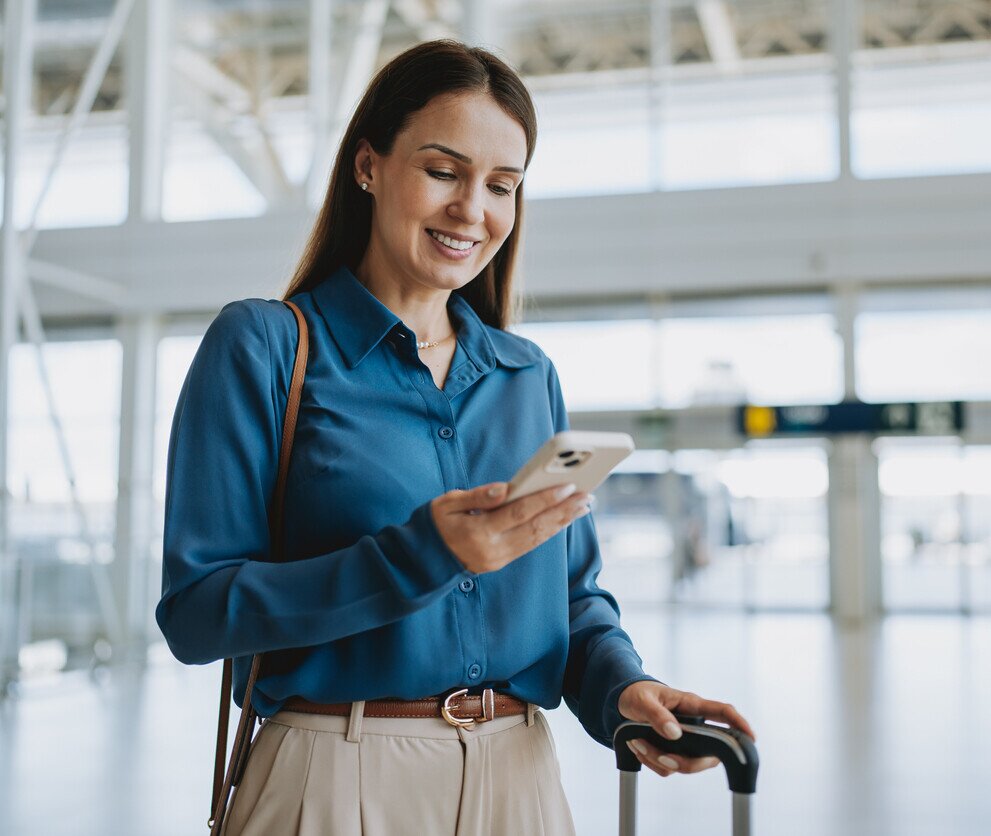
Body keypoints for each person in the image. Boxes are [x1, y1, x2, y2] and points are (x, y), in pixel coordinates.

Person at [156, 39, 755, 835]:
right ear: (368, 166)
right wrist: (423, 556)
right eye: (444, 171)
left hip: (519, 778)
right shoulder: (265, 347)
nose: (473, 209)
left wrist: (622, 692)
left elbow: (571, 601)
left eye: (502, 185)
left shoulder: (525, 375)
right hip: (334, 776)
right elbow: (197, 615)